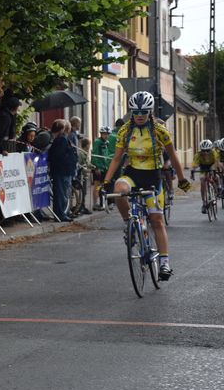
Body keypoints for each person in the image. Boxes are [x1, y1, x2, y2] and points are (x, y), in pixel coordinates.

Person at [102, 91, 191, 281]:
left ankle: (165, 262)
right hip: (133, 173)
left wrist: (182, 179)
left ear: (149, 111)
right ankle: (128, 223)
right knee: (119, 189)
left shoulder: (160, 131)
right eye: (136, 111)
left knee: (156, 219)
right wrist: (106, 181)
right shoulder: (125, 131)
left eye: (143, 111)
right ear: (131, 111)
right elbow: (117, 158)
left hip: (153, 176)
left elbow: (173, 156)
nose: (140, 115)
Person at [48, 119, 77, 222]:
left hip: (64, 170)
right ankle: (60, 214)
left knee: (64, 193)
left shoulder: (63, 139)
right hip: (62, 171)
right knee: (61, 193)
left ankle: (63, 213)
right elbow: (57, 156)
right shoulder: (61, 140)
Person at [192, 139, 220, 213]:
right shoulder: (198, 154)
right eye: (203, 151)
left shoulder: (214, 153)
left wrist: (214, 169)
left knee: (214, 176)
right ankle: (204, 202)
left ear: (211, 149)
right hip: (203, 167)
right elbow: (195, 164)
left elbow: (217, 162)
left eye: (207, 150)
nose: (205, 152)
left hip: (212, 165)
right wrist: (193, 169)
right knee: (202, 181)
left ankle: (218, 188)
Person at [91, 127, 112, 210]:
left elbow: (106, 155)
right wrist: (96, 167)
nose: (106, 136)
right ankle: (95, 204)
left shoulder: (106, 142)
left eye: (107, 134)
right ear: (101, 134)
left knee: (102, 186)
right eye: (104, 134)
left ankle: (101, 203)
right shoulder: (97, 142)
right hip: (98, 168)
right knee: (97, 185)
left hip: (104, 167)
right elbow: (95, 155)